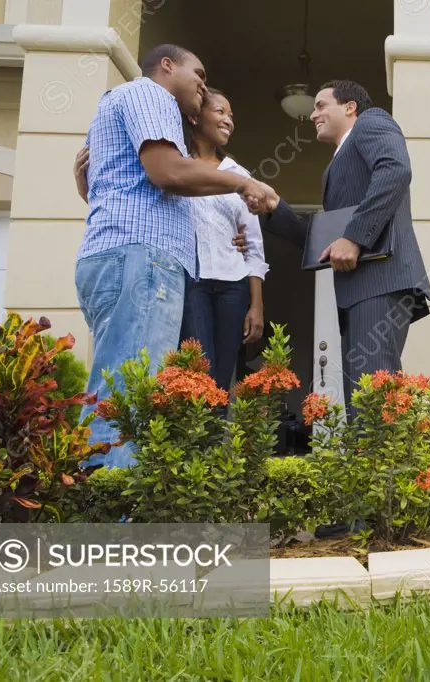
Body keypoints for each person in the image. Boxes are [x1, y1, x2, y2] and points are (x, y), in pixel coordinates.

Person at [72, 44, 279, 469]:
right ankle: (115, 522)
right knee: (130, 396)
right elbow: (168, 173)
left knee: (117, 386)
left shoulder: (115, 104)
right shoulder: (151, 95)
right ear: (167, 66)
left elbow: (122, 190)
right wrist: (243, 184)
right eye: (198, 73)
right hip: (142, 260)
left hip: (120, 257)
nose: (203, 84)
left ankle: (99, 500)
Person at [261, 79, 430, 417]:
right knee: (361, 401)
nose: (313, 114)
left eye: (321, 105)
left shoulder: (372, 121)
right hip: (357, 290)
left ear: (350, 107)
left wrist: (355, 237)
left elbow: (396, 169)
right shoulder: (335, 167)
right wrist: (273, 207)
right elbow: (323, 242)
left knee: (372, 400)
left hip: (380, 280)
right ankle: (368, 469)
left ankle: (383, 470)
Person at [178, 87, 268, 392]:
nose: (229, 120)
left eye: (231, 115)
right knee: (198, 375)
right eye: (220, 112)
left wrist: (256, 305)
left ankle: (215, 440)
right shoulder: (176, 167)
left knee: (221, 378)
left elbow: (254, 245)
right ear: (195, 116)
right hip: (193, 283)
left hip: (234, 286)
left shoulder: (240, 175)